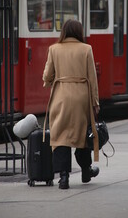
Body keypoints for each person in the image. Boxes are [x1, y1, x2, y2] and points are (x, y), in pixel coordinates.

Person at [42, 19, 100, 189]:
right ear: (79, 32)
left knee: (60, 137)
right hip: (81, 97)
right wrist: (95, 101)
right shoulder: (86, 49)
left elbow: (47, 76)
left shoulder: (54, 49)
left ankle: (64, 177)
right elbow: (92, 78)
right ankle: (86, 170)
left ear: (64, 32)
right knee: (82, 135)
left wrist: (49, 81)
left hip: (60, 97)